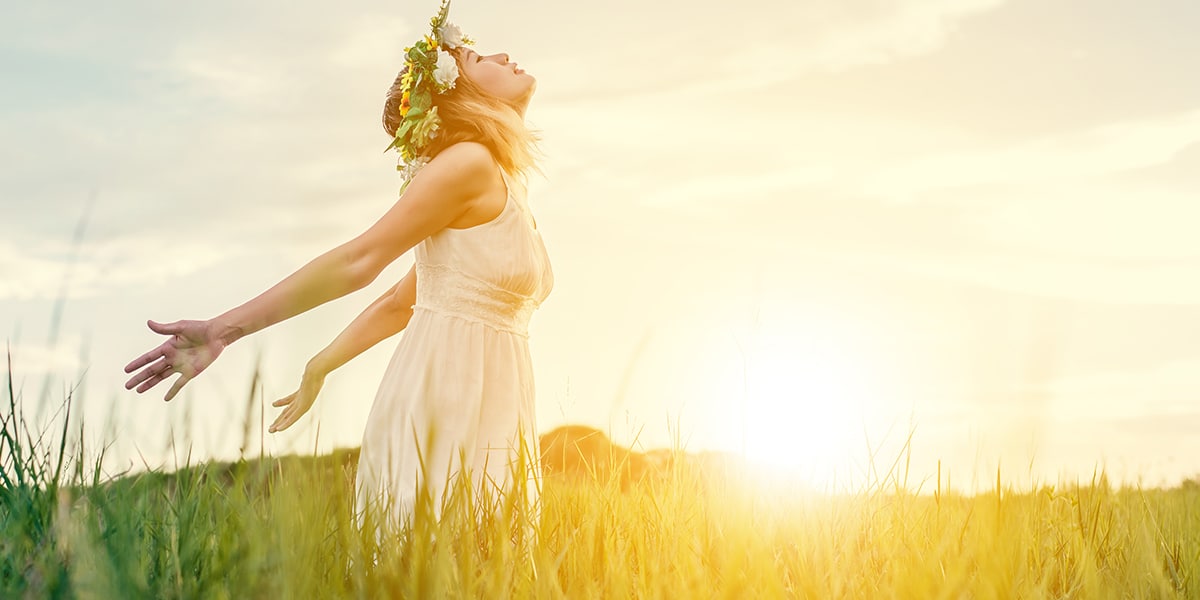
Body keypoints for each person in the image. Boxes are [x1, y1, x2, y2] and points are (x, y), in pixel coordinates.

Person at [122, 0, 552, 541]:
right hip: (445, 407)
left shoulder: (503, 184)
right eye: (474, 56)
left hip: (496, 408)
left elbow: (404, 302)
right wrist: (221, 330)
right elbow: (358, 260)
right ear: (461, 95)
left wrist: (320, 365)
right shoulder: (469, 165)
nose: (502, 54)